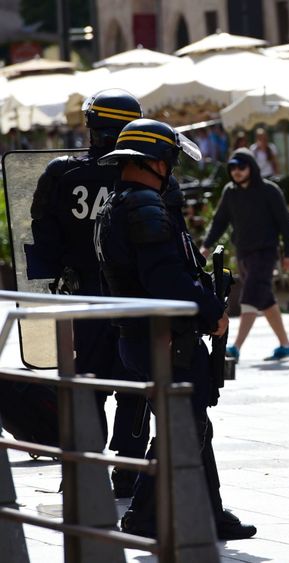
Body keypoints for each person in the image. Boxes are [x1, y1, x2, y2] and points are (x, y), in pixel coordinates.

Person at [94, 118, 256, 539]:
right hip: (162, 338)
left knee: (193, 421)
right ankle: (143, 515)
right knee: (183, 424)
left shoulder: (119, 203)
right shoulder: (144, 206)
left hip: (146, 336)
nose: (173, 170)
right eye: (169, 161)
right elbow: (166, 280)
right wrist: (211, 313)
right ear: (155, 162)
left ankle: (210, 512)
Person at [26, 88, 149, 498]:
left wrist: (65, 268)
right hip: (134, 301)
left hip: (84, 302)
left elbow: (41, 231)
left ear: (93, 125)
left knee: (86, 387)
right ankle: (128, 470)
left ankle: (81, 468)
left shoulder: (62, 173)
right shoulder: (145, 174)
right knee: (137, 386)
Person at [200, 148, 289, 362]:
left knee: (250, 297)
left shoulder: (270, 191)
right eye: (232, 167)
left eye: (241, 167)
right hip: (243, 254)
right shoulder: (230, 192)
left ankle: (235, 347)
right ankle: (286, 345)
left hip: (265, 253)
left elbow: (286, 225)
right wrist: (206, 246)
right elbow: (219, 222)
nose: (237, 171)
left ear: (251, 167)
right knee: (265, 301)